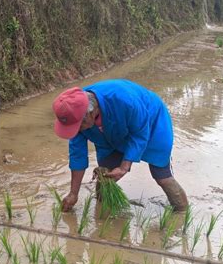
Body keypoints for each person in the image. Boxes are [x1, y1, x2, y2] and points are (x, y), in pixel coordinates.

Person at [52, 79, 188, 212]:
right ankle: (103, 213)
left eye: (79, 125)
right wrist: (73, 193)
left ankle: (182, 213)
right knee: (106, 179)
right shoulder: (74, 114)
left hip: (151, 124)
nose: (77, 130)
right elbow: (78, 156)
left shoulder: (125, 100)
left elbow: (139, 134)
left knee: (162, 177)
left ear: (91, 112)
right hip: (110, 132)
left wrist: (124, 167)